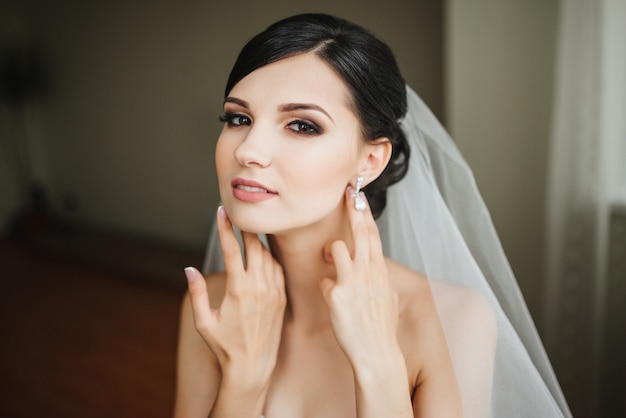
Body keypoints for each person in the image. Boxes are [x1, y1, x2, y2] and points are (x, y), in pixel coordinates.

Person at [174, 13, 572, 418]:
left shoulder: (454, 321)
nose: (248, 151)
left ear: (369, 159)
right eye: (239, 118)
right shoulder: (212, 306)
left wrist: (377, 366)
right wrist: (243, 381)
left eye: (301, 125)